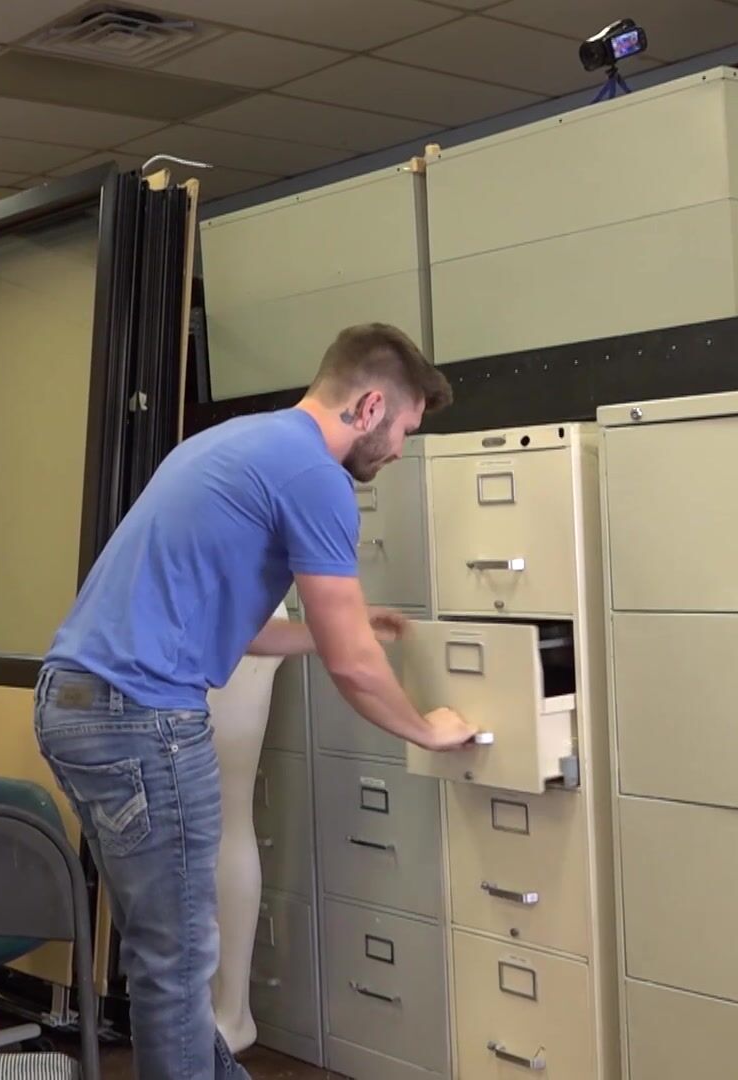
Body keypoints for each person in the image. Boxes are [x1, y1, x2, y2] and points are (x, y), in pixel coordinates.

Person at [34, 322, 476, 1079]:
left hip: (75, 705)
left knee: (166, 947)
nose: (402, 450)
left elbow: (229, 625)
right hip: (141, 719)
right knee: (178, 960)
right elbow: (356, 669)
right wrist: (425, 729)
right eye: (405, 429)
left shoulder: (233, 443)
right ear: (371, 406)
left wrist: (338, 628)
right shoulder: (316, 477)